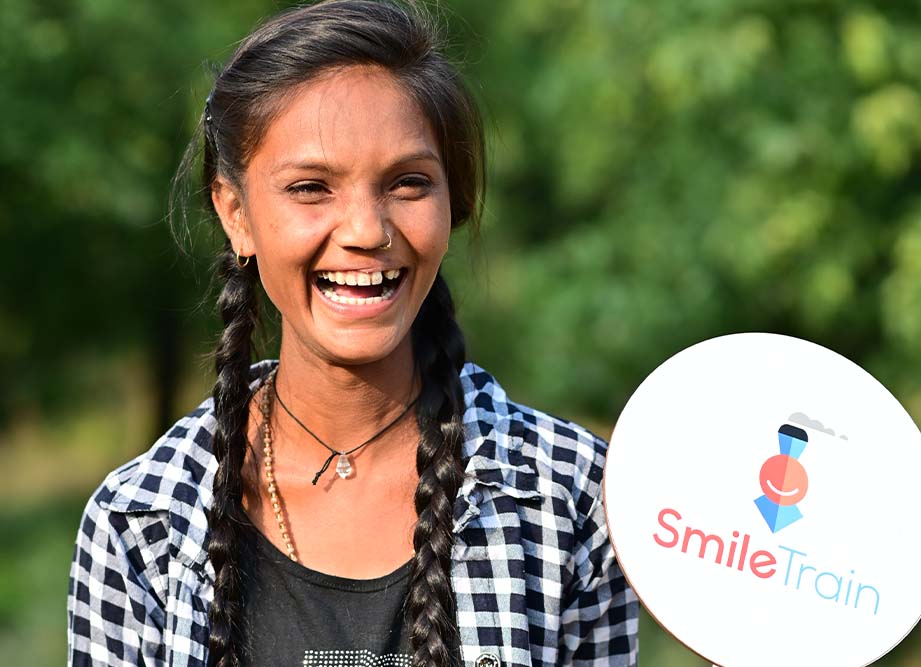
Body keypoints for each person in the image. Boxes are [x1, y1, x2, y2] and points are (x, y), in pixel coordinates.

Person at [66, 1, 638, 666]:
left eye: (408, 183)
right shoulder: (140, 520)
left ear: (454, 202)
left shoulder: (570, 496)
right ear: (235, 212)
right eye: (311, 187)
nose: (366, 229)